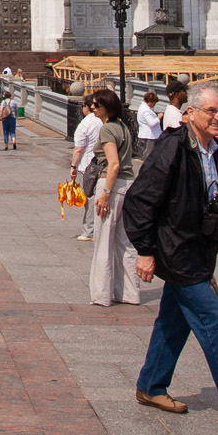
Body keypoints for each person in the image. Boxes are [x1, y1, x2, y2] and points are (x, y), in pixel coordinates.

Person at [123, 83, 218, 435]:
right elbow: (138, 201)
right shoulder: (172, 148)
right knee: (214, 323)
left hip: (198, 246)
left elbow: (196, 192)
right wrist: (145, 251)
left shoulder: (213, 150)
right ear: (190, 112)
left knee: (173, 321)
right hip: (177, 252)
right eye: (212, 111)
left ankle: (151, 385)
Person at [82, 89, 142, 306]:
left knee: (103, 241)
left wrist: (105, 194)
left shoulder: (107, 129)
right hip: (128, 185)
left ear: (107, 106)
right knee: (124, 242)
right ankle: (129, 292)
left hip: (111, 184)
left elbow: (113, 163)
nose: (92, 108)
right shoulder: (123, 127)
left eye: (96, 105)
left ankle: (102, 294)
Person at [69, 91, 107, 241]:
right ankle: (99, 228)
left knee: (89, 198)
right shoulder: (103, 121)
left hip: (87, 166)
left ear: (87, 107)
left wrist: (73, 166)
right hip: (102, 164)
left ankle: (89, 230)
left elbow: (79, 148)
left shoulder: (85, 123)